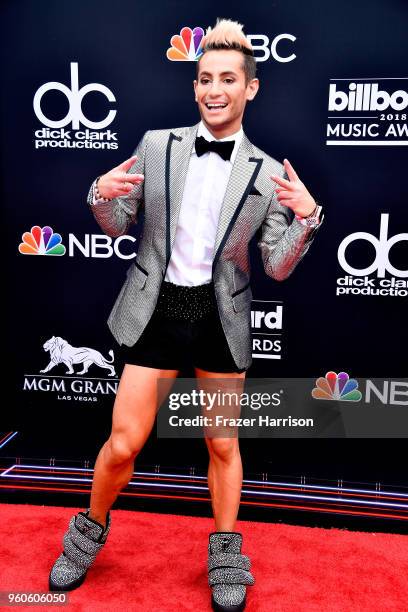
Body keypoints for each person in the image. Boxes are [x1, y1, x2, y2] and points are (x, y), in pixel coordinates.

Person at [49, 18, 322, 611]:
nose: (213, 89)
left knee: (223, 445)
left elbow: (275, 266)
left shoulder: (269, 172)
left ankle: (225, 553)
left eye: (227, 78)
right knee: (123, 443)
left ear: (251, 88)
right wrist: (100, 194)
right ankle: (87, 532)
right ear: (194, 86)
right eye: (204, 79)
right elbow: (119, 223)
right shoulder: (155, 144)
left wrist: (306, 219)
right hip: (156, 310)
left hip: (219, 320)